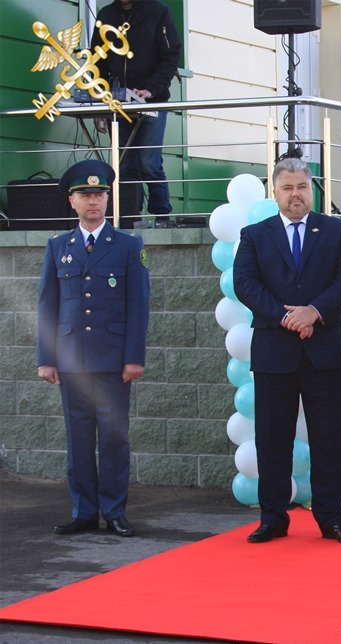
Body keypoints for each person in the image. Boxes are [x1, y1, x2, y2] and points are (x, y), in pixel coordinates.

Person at [233, 158, 341, 545]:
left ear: (312, 190)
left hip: (322, 352)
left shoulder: (335, 230)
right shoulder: (255, 235)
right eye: (287, 188)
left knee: (329, 439)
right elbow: (245, 283)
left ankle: (332, 518)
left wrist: (314, 312)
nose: (295, 195)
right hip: (274, 351)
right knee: (272, 439)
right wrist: (286, 317)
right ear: (275, 192)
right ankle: (272, 517)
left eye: (302, 187)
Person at [37, 159, 151, 538]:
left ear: (107, 199)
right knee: (79, 438)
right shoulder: (58, 247)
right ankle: (84, 511)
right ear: (72, 201)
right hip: (71, 362)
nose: (93, 201)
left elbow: (138, 306)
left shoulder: (128, 246)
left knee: (115, 438)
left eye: (99, 194)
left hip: (113, 361)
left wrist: (134, 357)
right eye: (85, 195)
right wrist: (46, 358)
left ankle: (114, 511)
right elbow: (47, 306)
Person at [92, 0, 181, 217]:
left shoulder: (159, 11)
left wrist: (151, 89)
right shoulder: (105, 15)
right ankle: (130, 217)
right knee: (124, 166)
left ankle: (162, 217)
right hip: (117, 102)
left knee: (149, 163)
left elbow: (170, 56)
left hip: (153, 100)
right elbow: (97, 62)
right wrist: (100, 103)